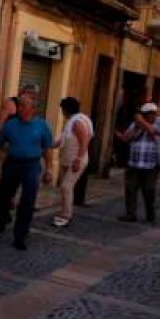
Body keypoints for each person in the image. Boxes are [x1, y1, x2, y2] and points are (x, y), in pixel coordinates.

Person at [0, 95, 54, 251]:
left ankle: (20, 236)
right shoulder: (10, 125)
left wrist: (49, 169)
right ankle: (2, 219)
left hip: (31, 165)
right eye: (19, 105)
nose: (19, 108)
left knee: (27, 201)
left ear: (33, 109)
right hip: (12, 163)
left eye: (23, 106)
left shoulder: (42, 126)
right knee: (3, 195)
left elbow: (47, 149)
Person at [0, 84, 39, 212]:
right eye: (29, 93)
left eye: (34, 95)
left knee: (13, 174)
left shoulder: (30, 107)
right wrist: (3, 142)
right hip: (5, 145)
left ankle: (10, 199)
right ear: (22, 92)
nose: (31, 96)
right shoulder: (10, 103)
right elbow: (0, 123)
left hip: (17, 147)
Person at [115, 102, 160, 224]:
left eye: (151, 114)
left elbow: (154, 131)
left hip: (151, 164)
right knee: (130, 188)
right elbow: (126, 138)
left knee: (148, 189)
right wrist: (131, 130)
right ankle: (130, 214)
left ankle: (150, 214)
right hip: (134, 162)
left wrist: (141, 122)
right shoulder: (136, 124)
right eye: (146, 114)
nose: (149, 116)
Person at [52, 97, 94, 227]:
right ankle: (63, 211)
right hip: (68, 159)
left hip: (75, 160)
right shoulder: (71, 121)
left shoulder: (77, 122)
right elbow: (62, 140)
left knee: (66, 186)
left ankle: (66, 215)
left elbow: (85, 140)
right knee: (66, 188)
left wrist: (78, 159)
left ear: (65, 109)